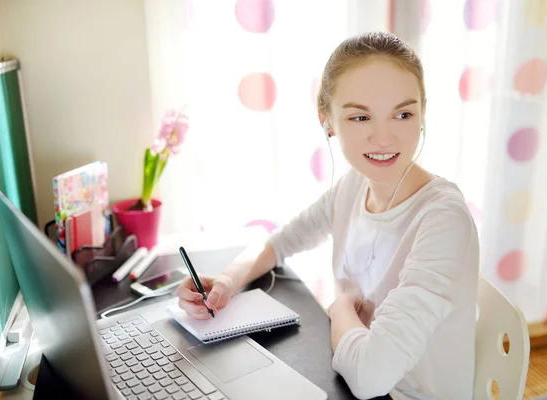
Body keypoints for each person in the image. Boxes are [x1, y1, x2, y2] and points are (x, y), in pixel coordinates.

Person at [176, 31, 479, 400]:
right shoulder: (354, 187)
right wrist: (225, 281)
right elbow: (282, 241)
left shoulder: (442, 219)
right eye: (360, 117)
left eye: (403, 113)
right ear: (328, 121)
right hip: (348, 378)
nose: (384, 138)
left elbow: (371, 376)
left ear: (422, 113)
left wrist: (339, 312)